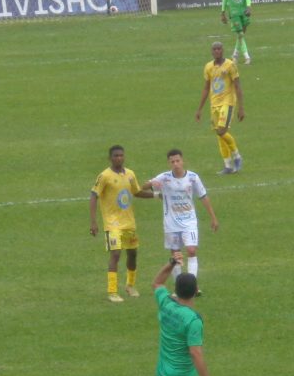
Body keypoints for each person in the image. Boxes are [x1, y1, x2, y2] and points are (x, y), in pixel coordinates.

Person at [141, 149, 219, 290]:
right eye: (173, 162)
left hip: (189, 221)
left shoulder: (193, 178)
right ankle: (179, 287)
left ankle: (192, 285)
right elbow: (142, 187)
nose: (176, 164)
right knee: (176, 255)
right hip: (171, 224)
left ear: (183, 161)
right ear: (169, 163)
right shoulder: (164, 178)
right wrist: (153, 185)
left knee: (191, 250)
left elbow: (203, 197)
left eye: (178, 161)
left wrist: (213, 218)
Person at [89, 145, 154, 303]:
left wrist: (157, 195)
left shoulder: (130, 174)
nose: (119, 158)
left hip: (129, 223)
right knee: (116, 254)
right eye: (116, 156)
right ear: (110, 158)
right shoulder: (104, 176)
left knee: (133, 254)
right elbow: (93, 195)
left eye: (121, 155)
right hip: (112, 224)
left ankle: (130, 285)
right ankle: (112, 291)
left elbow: (137, 192)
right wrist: (93, 221)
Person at [196, 41, 245, 175]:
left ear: (223, 50)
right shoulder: (208, 67)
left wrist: (241, 108)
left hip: (227, 102)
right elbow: (206, 88)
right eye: (214, 49)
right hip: (214, 104)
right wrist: (199, 109)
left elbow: (238, 86)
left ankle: (236, 156)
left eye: (219, 49)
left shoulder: (230, 65)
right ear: (212, 51)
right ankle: (228, 165)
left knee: (221, 131)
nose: (217, 51)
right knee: (219, 135)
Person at [220, 0, 252, 65]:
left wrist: (248, 6)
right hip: (234, 13)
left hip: (244, 11)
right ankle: (247, 57)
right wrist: (223, 12)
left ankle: (235, 55)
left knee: (241, 35)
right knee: (240, 34)